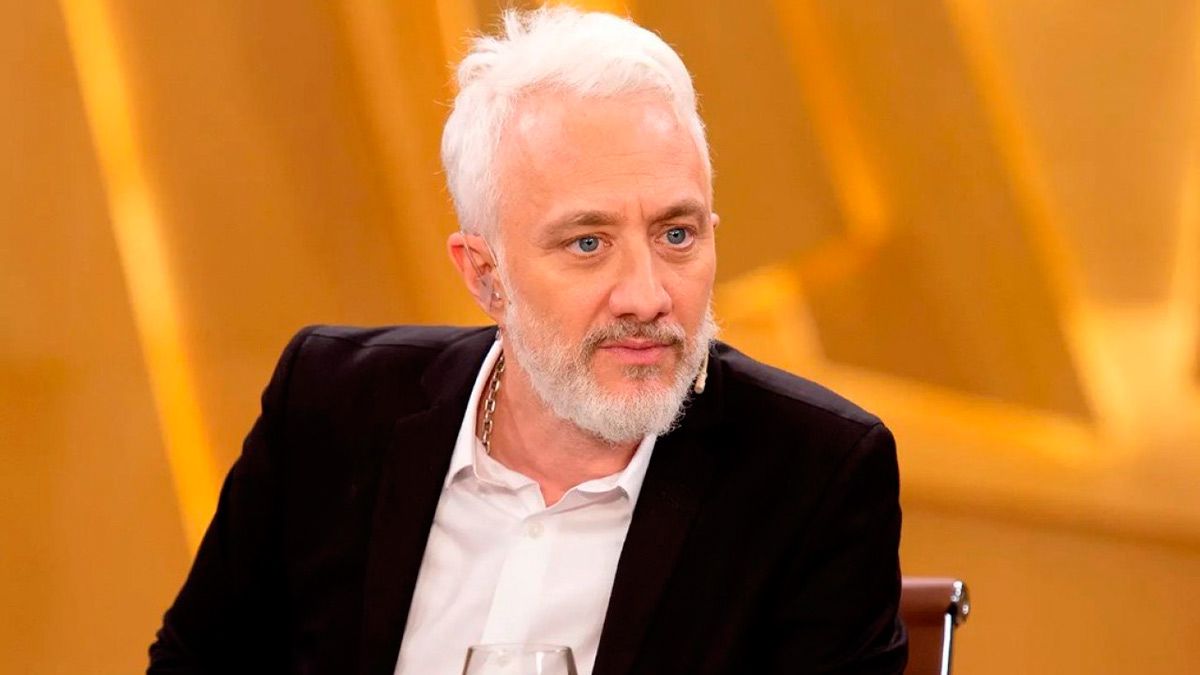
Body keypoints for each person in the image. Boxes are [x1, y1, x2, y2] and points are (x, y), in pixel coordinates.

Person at [149, 7, 906, 674]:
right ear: (485, 276)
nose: (647, 296)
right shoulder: (332, 405)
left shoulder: (813, 473)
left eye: (676, 234)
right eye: (587, 244)